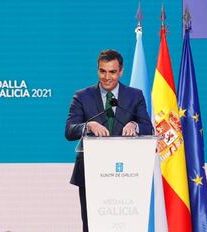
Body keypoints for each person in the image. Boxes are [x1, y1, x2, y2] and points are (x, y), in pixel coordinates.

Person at [65, 49, 153, 231]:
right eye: (102, 71)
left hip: (128, 173)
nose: (106, 77)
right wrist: (88, 126)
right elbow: (69, 131)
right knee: (92, 225)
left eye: (112, 72)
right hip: (92, 173)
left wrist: (134, 126)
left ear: (121, 72)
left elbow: (147, 127)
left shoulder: (135, 96)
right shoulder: (82, 96)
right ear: (97, 70)